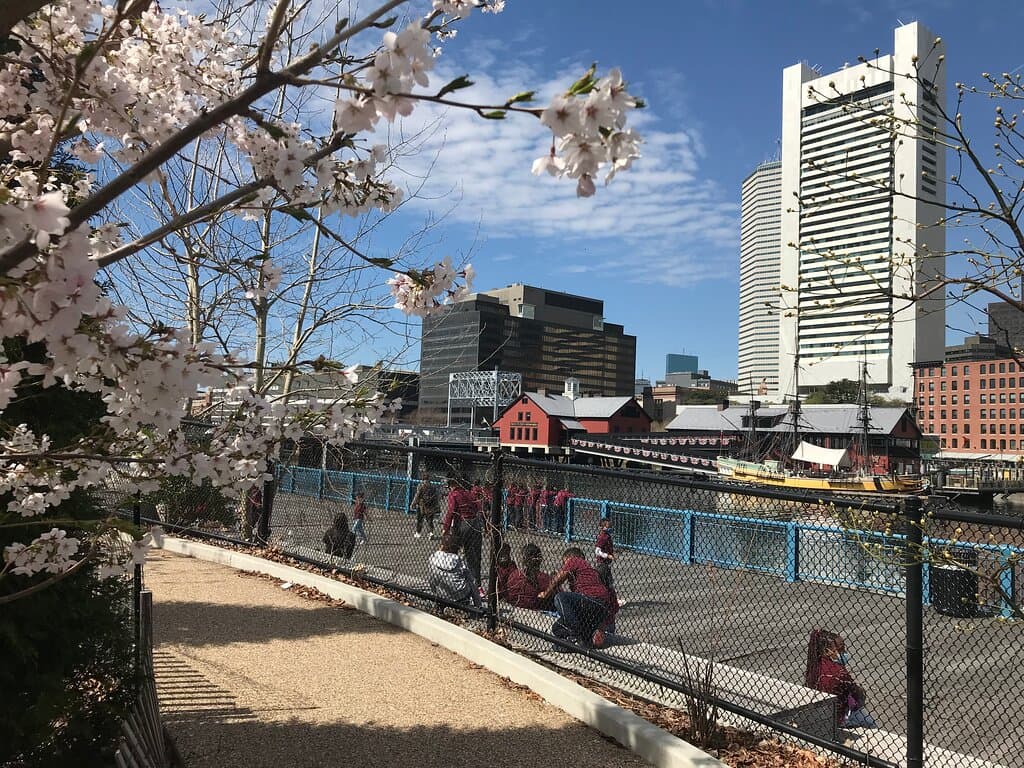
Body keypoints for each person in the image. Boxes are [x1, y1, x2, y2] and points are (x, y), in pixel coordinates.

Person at [539, 546, 618, 649]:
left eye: (565, 562)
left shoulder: (575, 560)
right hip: (590, 608)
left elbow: (559, 579)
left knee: (560, 598)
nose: (565, 565)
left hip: (593, 601)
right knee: (557, 628)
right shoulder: (588, 572)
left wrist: (546, 593)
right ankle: (582, 637)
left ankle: (580, 637)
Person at [805, 629, 878, 728]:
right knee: (870, 723)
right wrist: (860, 692)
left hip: (821, 711)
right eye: (841, 649)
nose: (844, 652)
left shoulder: (816, 665)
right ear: (827, 651)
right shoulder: (838, 672)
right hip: (839, 716)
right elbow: (856, 693)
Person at [442, 476, 483, 586]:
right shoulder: (469, 493)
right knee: (474, 555)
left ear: (451, 486)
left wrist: (446, 528)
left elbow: (451, 511)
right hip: (474, 523)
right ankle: (476, 582)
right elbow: (478, 507)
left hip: (462, 523)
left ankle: (452, 576)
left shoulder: (454, 494)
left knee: (452, 550)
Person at [427, 533, 482, 610]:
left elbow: (431, 579)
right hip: (459, 595)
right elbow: (472, 581)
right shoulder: (457, 560)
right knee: (470, 579)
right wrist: (478, 602)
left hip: (441, 595)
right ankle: (477, 606)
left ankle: (441, 605)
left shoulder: (433, 557)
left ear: (442, 546)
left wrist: (436, 593)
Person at [506, 542, 554, 610]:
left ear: (523, 559)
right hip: (533, 608)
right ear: (540, 559)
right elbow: (558, 592)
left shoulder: (514, 574)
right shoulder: (544, 578)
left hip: (514, 606)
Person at [410, 474, 441, 539]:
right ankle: (431, 533)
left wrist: (413, 504)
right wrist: (437, 506)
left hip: (421, 505)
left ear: (422, 479)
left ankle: (418, 533)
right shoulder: (433, 487)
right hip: (430, 506)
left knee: (420, 519)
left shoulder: (421, 486)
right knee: (430, 520)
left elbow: (417, 495)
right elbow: (436, 497)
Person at [594, 515, 616, 592]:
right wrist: (607, 556)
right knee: (605, 580)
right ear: (602, 527)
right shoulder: (603, 537)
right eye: (608, 527)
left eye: (610, 526)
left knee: (608, 581)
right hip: (602, 563)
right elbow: (597, 551)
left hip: (606, 563)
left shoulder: (607, 536)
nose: (610, 528)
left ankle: (607, 594)